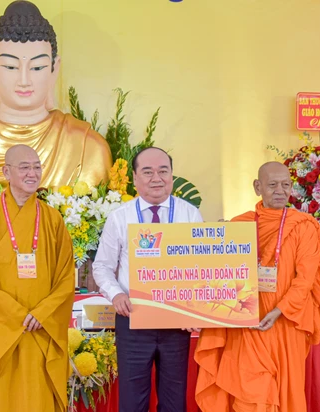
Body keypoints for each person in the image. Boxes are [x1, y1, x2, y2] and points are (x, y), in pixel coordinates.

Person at [194, 161, 320, 411]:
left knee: (284, 389)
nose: (280, 190)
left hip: (286, 322)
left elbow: (306, 279)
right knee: (250, 391)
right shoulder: (238, 225)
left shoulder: (305, 226)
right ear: (257, 187)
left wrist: (279, 310)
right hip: (246, 322)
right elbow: (221, 278)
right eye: (272, 185)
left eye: (286, 185)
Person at [0, 1, 112, 188]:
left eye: (37, 67)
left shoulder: (88, 148)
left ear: (54, 69)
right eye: (10, 67)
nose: (24, 80)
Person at [0, 144, 75, 412]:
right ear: (6, 172)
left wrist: (43, 313)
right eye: (24, 167)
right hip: (1, 330)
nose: (32, 173)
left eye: (37, 167)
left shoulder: (52, 219)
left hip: (41, 328)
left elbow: (66, 276)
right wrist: (15, 315)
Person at [93, 147, 203, 412]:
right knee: (132, 401)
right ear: (134, 177)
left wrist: (197, 308)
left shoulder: (189, 215)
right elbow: (102, 266)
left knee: (174, 401)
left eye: (163, 171)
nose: (157, 178)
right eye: (148, 172)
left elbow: (202, 267)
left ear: (172, 175)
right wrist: (116, 294)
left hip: (176, 321)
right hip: (133, 318)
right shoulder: (120, 217)